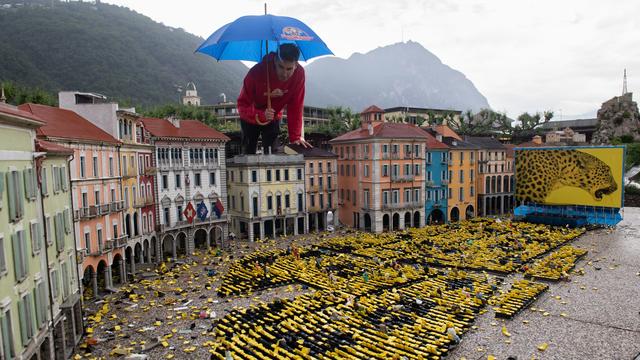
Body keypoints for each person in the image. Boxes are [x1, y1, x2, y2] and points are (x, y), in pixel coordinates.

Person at [237, 43, 311, 155]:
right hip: (250, 117)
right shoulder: (256, 72)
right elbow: (242, 106)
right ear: (275, 61)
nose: (285, 74)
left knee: (272, 154)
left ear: (296, 65)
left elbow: (295, 106)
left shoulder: (299, 74)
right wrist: (261, 114)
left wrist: (295, 137)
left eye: (289, 69)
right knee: (248, 152)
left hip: (274, 116)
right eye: (281, 67)